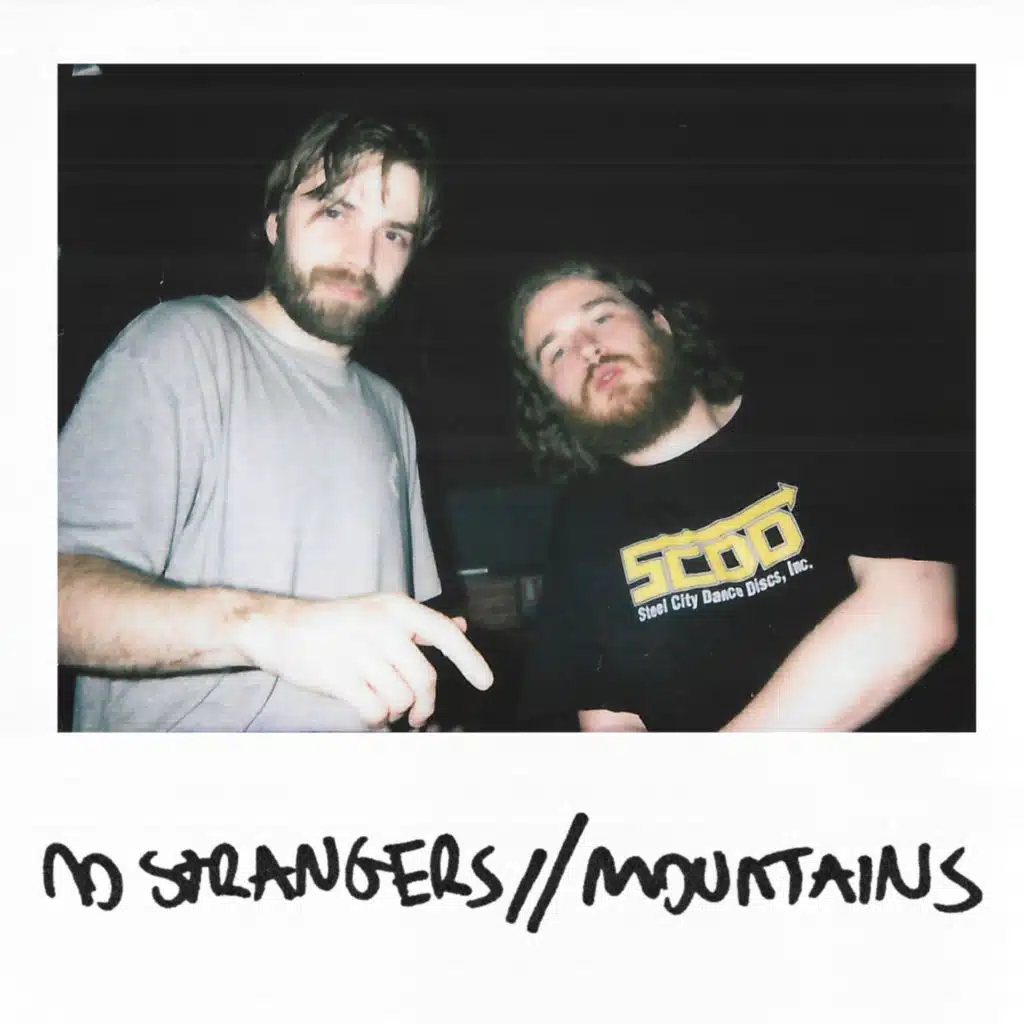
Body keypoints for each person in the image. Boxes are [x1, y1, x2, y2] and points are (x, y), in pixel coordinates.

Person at [58, 112, 493, 732]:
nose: (361, 255)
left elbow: (390, 634)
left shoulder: (390, 408)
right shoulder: (179, 345)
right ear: (275, 223)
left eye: (394, 233)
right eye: (335, 211)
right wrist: (267, 627)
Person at [509, 259, 958, 732]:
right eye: (556, 352)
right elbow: (610, 724)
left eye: (601, 317)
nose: (587, 348)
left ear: (659, 323)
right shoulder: (581, 524)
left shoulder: (819, 414)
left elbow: (913, 613)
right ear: (550, 399)